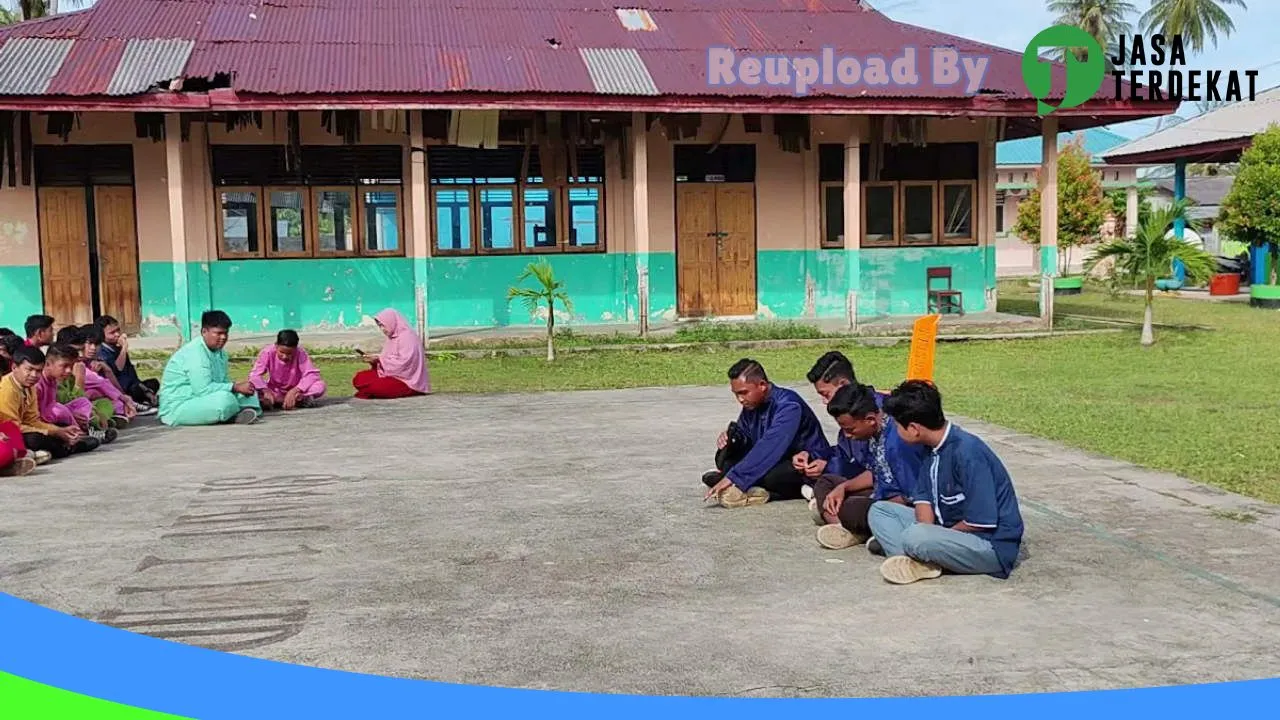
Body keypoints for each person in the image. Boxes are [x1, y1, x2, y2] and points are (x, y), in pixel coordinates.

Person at [870, 380, 1025, 585]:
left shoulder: (968, 451)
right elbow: (923, 499)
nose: (895, 431)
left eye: (897, 425)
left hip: (989, 545)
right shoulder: (929, 448)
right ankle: (916, 560)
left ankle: (914, 553)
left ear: (914, 428)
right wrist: (930, 533)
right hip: (946, 531)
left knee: (915, 536)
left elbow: (980, 521)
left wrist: (934, 536)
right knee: (880, 511)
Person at [807, 382, 927, 552]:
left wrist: (879, 503)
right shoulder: (873, 433)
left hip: (897, 507)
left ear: (870, 419)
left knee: (852, 508)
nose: (848, 436)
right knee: (827, 482)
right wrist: (844, 487)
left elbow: (914, 495)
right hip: (881, 493)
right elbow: (876, 472)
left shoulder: (900, 440)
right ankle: (850, 530)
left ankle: (854, 528)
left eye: (851, 430)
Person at [702, 358, 831, 508]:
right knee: (727, 459)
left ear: (762, 385)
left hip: (802, 463)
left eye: (743, 393)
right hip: (774, 458)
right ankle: (743, 482)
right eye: (736, 394)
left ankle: (765, 492)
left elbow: (770, 446)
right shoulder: (752, 404)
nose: (740, 399)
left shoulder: (788, 406)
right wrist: (731, 438)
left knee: (772, 476)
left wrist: (734, 477)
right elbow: (747, 436)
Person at [159, 310, 262, 426]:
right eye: (218, 333)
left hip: (204, 398)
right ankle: (234, 414)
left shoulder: (220, 353)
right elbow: (203, 390)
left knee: (250, 392)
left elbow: (223, 382)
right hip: (180, 406)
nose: (223, 337)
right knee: (224, 400)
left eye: (226, 333)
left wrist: (241, 389)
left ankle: (238, 411)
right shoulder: (195, 353)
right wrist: (235, 387)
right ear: (204, 331)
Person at [0, 346, 99, 460]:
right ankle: (69, 447)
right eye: (29, 369)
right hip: (10, 434)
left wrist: (58, 430)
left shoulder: (29, 386)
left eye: (38, 371)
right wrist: (53, 432)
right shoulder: (7, 389)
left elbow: (32, 420)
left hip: (24, 429)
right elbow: (13, 427)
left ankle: (65, 445)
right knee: (34, 439)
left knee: (62, 428)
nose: (34, 375)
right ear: (14, 367)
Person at [40, 343, 118, 445]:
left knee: (83, 402)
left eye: (71, 366)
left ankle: (90, 428)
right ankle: (82, 434)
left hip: (60, 415)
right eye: (64, 366)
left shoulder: (54, 379)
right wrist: (80, 379)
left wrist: (95, 412)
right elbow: (42, 412)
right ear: (48, 364)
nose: (68, 371)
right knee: (59, 410)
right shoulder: (38, 382)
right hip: (42, 420)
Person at [352, 309, 431, 400]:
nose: (382, 329)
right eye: (380, 326)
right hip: (391, 375)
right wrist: (374, 360)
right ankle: (371, 391)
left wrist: (379, 360)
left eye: (383, 326)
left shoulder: (408, 337)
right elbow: (387, 359)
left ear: (391, 322)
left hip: (407, 381)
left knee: (377, 387)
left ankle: (372, 391)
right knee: (360, 378)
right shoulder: (392, 337)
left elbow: (405, 364)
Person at [250, 329, 326, 411]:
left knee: (320, 386)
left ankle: (291, 400)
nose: (285, 356)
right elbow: (255, 375)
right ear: (276, 346)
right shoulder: (267, 352)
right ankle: (293, 401)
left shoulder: (300, 353)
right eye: (281, 352)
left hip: (297, 390)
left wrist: (295, 391)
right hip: (275, 390)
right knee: (250, 387)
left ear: (296, 349)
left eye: (289, 354)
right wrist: (266, 391)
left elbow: (311, 374)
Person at [96, 315, 160, 411]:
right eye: (112, 333)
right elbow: (118, 369)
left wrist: (147, 391)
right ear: (101, 335)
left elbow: (132, 374)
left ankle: (147, 397)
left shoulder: (117, 347)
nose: (117, 334)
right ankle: (140, 402)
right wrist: (124, 348)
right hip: (119, 388)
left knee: (153, 383)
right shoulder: (102, 351)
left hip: (131, 384)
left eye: (118, 330)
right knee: (135, 390)